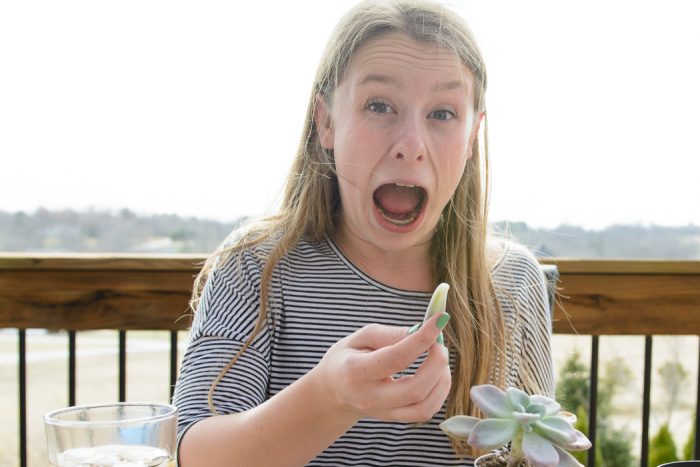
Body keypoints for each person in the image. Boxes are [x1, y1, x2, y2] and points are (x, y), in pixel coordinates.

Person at [173, 0, 554, 465]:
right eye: (379, 106)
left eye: (442, 114)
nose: (410, 145)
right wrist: (328, 399)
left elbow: (541, 446)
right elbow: (195, 453)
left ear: (472, 137)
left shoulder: (513, 283)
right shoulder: (256, 266)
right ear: (326, 121)